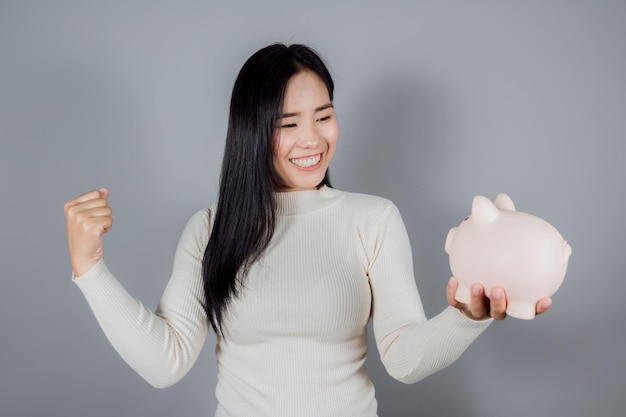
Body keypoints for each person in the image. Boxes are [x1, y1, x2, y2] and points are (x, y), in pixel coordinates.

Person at [64, 43, 551, 417]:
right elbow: (164, 361)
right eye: (288, 124)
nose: (312, 139)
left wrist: (470, 315)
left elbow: (403, 357)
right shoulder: (210, 229)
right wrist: (90, 269)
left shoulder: (372, 219)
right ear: (252, 131)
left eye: (323, 116)